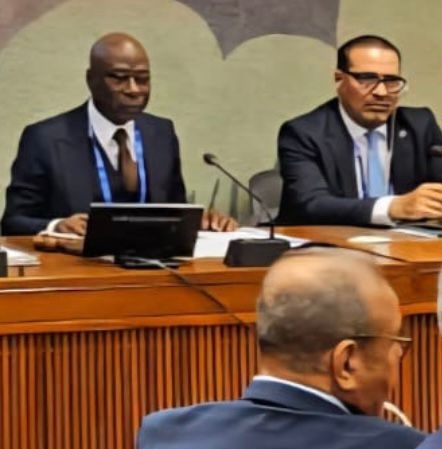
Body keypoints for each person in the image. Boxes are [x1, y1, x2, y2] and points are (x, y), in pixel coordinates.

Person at [137, 249, 426, 449]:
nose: (397, 358)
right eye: (396, 344)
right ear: (346, 362)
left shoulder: (164, 432)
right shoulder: (404, 446)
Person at [1, 33, 236, 236]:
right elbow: (13, 222)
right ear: (91, 80)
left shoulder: (161, 133)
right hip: (78, 265)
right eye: (120, 78)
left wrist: (202, 221)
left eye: (142, 79)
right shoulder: (45, 138)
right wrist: (57, 226)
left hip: (152, 265)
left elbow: (175, 210)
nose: (133, 90)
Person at [278, 35, 442, 226]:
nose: (381, 92)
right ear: (339, 79)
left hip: (409, 240)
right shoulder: (303, 133)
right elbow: (311, 205)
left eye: (391, 81)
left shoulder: (419, 125)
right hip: (330, 240)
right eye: (367, 79)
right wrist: (393, 207)